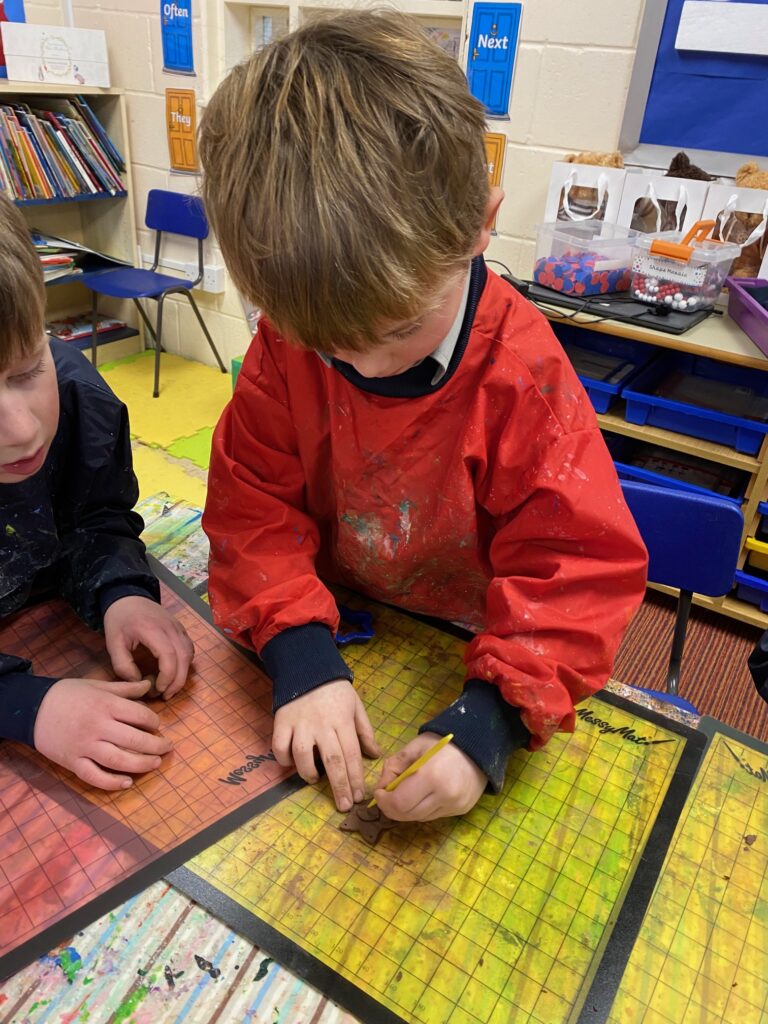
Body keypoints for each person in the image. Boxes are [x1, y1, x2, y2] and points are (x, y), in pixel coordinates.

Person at [199, 9, 648, 822]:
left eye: (400, 329)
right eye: (332, 349)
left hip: (480, 652)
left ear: (481, 225)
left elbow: (576, 570)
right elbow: (252, 506)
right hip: (343, 629)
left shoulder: (523, 374)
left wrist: (493, 721)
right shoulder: (284, 344)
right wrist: (300, 653)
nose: (365, 369)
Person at [0, 194, 193, 790]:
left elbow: (99, 518)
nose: (24, 429)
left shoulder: (81, 399)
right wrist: (24, 706)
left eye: (27, 371)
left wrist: (122, 592)